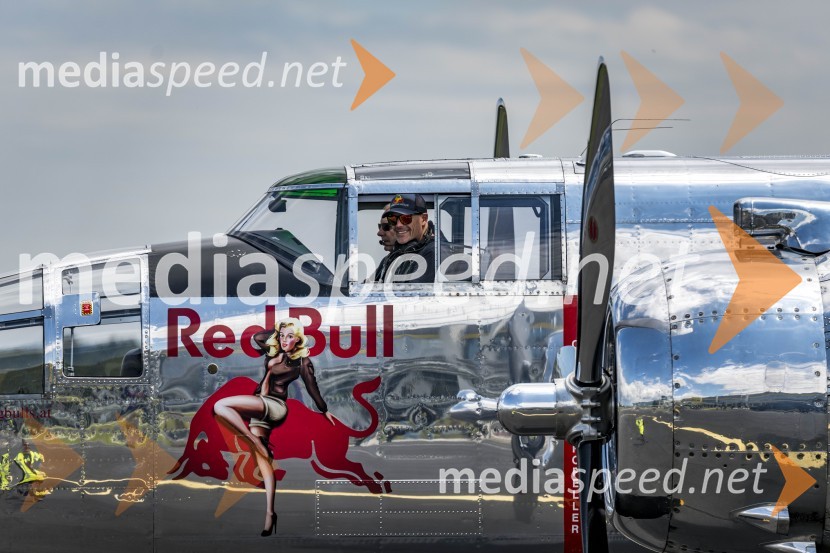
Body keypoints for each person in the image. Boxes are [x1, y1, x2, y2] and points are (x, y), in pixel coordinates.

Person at [213, 318, 335, 536]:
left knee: (220, 405)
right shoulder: (273, 351)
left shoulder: (301, 362)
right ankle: (270, 513)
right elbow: (257, 338)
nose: (285, 340)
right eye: (282, 336)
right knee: (263, 460)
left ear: (299, 339)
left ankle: (253, 441)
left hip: (275, 405)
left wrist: (324, 409)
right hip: (261, 406)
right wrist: (280, 330)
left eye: (290, 336)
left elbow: (311, 387)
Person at [374, 194, 436, 283]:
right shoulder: (394, 255)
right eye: (393, 219)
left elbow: (412, 295)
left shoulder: (433, 253)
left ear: (423, 219)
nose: (398, 225)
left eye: (406, 218)